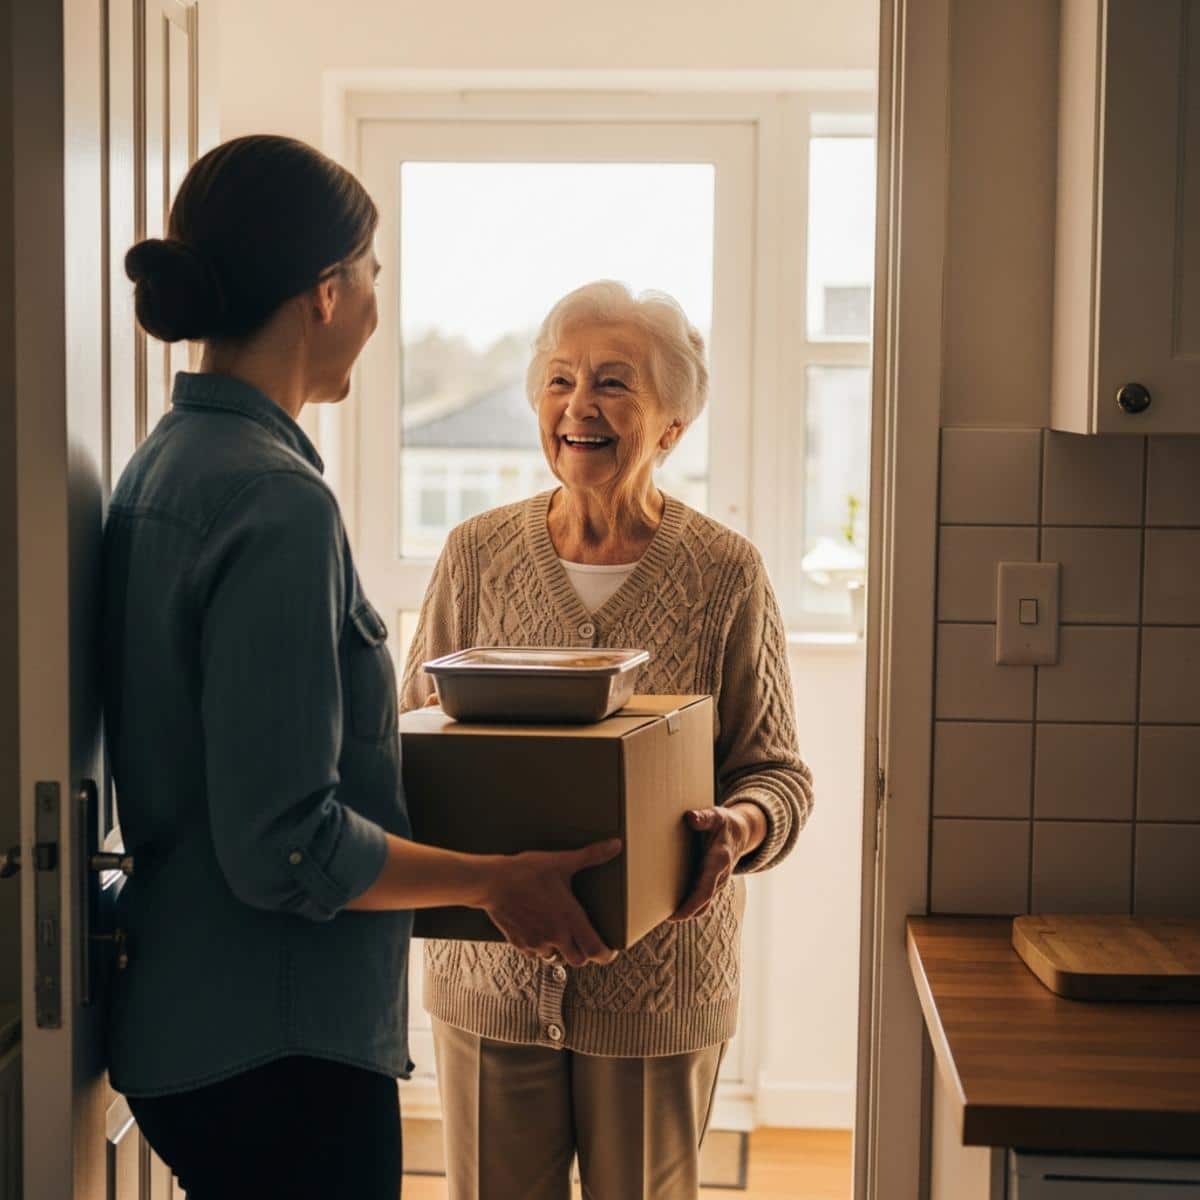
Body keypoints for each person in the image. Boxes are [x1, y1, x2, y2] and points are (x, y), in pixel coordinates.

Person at [102, 135, 619, 1200]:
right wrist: (493, 884)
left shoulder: (168, 463)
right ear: (328, 294)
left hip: (190, 1021)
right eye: (376, 274)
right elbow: (285, 848)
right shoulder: (276, 501)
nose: (381, 305)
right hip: (276, 1046)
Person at [401, 280, 814, 1200]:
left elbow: (777, 773)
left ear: (671, 427)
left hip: (660, 988)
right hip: (489, 977)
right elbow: (411, 738)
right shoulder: (475, 552)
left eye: (614, 384)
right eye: (558, 380)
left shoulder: (724, 572)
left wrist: (739, 827)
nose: (577, 407)